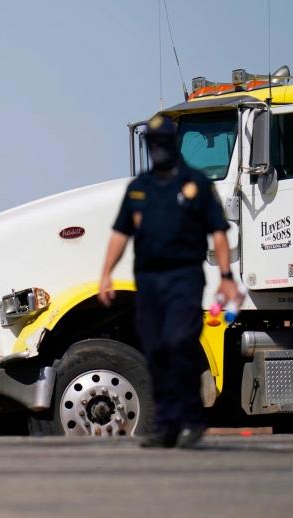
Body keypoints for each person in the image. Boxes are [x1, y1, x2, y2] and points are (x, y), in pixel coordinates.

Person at [98, 113, 237, 449]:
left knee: (179, 344)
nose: (158, 149)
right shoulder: (139, 188)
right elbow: (120, 234)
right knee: (156, 349)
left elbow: (218, 232)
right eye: (153, 144)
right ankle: (167, 425)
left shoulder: (196, 185)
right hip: (148, 281)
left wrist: (226, 276)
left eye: (163, 143)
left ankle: (191, 420)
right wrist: (105, 274)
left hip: (183, 279)